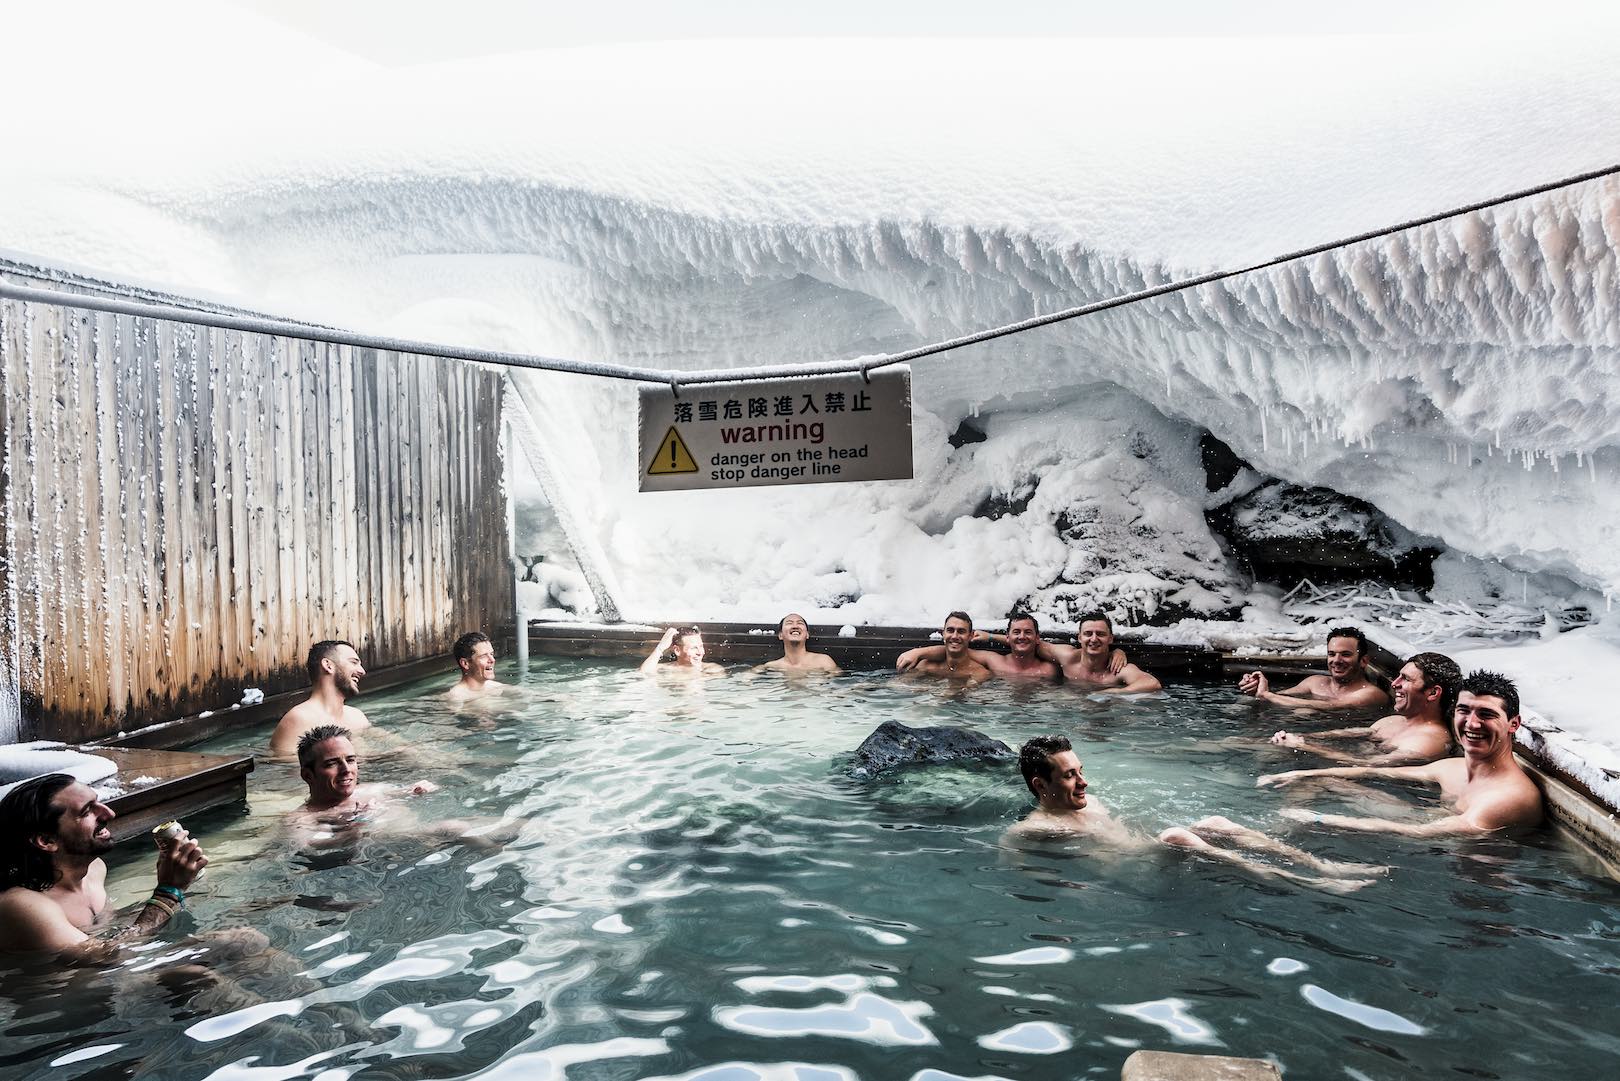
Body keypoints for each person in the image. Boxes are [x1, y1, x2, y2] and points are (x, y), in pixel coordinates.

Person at [1004, 737, 1380, 892]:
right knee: (1176, 835)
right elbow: (1009, 855)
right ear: (1040, 785)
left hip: (1152, 857)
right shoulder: (1037, 827)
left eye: (1081, 770)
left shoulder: (1091, 802)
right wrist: (1072, 890)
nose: (1083, 782)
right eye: (1070, 776)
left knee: (1214, 823)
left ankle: (1321, 866)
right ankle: (1302, 882)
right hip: (1137, 874)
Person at [1256, 670, 1543, 837]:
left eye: (1486, 714)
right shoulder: (1454, 767)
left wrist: (1319, 819)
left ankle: (1280, 840)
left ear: (1513, 724)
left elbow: (1421, 834)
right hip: (1428, 821)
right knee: (1318, 782)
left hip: (1474, 865)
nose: (1472, 723)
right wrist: (1302, 772)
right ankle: (1278, 834)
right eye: (1464, 711)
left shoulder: (1507, 797)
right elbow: (1376, 771)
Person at [0, 773, 209, 955]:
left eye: (97, 802)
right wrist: (168, 892)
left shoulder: (94, 869)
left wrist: (180, 883)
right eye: (86, 811)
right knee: (195, 974)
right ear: (46, 841)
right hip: (58, 995)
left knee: (237, 938)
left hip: (106, 980)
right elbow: (105, 957)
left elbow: (112, 931)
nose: (109, 813)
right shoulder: (21, 905)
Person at [1267, 651, 1459, 766]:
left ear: (1433, 693)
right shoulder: (1391, 721)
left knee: (1313, 781)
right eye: (1398, 676)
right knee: (1268, 750)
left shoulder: (1427, 742)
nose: (1394, 684)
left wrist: (1304, 746)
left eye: (1406, 679)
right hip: (1349, 771)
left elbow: (1366, 766)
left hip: (1378, 794)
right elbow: (1348, 734)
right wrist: (1301, 737)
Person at [1238, 625, 1390, 712]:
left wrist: (1267, 695)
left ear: (1363, 661)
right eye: (1331, 654)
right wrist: (1256, 688)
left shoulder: (1371, 694)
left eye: (1345, 654)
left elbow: (1332, 706)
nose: (1336, 661)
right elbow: (1280, 696)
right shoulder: (1315, 682)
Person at [269, 640, 371, 757]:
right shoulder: (299, 719)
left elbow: (388, 743)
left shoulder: (357, 716)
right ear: (328, 665)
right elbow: (284, 766)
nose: (362, 671)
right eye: (354, 662)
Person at [896, 610, 1061, 681]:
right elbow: (956, 650)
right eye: (1016, 632)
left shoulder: (1050, 670)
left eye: (1028, 632)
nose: (1022, 637)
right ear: (1008, 637)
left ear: (1038, 638)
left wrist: (989, 636)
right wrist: (918, 652)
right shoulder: (995, 662)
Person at [1031, 612, 1161, 693]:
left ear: (1110, 638)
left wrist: (1110, 693)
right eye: (1088, 634)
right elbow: (1032, 644)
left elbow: (1152, 684)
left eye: (1100, 634)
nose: (1094, 639)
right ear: (1079, 637)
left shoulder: (1117, 669)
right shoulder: (1067, 657)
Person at [895, 611, 992, 683]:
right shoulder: (926, 666)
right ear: (943, 634)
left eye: (961, 631)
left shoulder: (979, 673)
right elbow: (898, 685)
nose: (954, 636)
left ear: (970, 636)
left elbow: (963, 691)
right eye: (950, 630)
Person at [755, 613, 841, 674]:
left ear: (807, 635)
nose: (795, 626)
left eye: (800, 623)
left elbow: (839, 686)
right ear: (780, 635)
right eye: (789, 623)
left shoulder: (823, 661)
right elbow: (747, 678)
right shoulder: (772, 666)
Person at [447, 630, 509, 703]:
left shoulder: (496, 687)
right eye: (483, 656)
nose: (492, 660)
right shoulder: (456, 698)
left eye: (491, 654)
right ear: (465, 663)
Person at [640, 626, 726, 676]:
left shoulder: (712, 669)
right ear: (677, 650)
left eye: (701, 646)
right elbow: (643, 673)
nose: (700, 652)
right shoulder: (665, 668)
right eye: (694, 648)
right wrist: (660, 648)